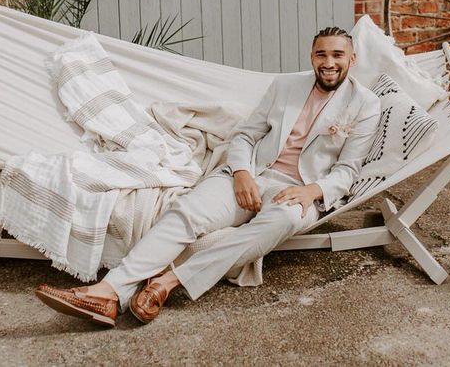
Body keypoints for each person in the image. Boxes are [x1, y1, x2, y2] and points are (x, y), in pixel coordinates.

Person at [35, 27, 380, 328]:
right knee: (187, 212)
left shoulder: (365, 104)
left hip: (298, 192)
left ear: (353, 58)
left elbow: (348, 170)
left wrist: (312, 191)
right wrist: (242, 172)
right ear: (311, 55)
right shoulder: (286, 85)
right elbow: (245, 135)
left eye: (338, 54)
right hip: (252, 175)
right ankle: (110, 292)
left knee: (282, 220)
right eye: (322, 54)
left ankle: (167, 283)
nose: (329, 62)